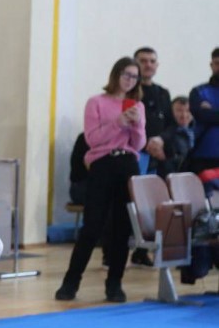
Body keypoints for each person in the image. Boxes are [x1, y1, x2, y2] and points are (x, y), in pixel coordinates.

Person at [56, 57, 145, 304]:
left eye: (134, 76)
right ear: (116, 74)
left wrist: (137, 125)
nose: (130, 80)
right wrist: (118, 122)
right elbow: (93, 140)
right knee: (92, 226)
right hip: (103, 164)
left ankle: (114, 284)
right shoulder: (96, 102)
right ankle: (70, 282)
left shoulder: (137, 105)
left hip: (127, 164)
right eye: (126, 74)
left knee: (122, 228)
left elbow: (139, 144)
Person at [130, 47, 174, 265]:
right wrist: (145, 141)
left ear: (157, 65)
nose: (148, 64)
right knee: (129, 203)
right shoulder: (129, 92)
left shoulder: (163, 93)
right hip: (134, 154)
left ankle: (143, 251)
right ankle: (111, 252)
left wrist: (160, 140)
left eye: (152, 61)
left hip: (156, 156)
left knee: (152, 204)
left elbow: (171, 125)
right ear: (135, 64)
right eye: (143, 60)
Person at [187, 48, 219, 174]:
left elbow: (208, 116)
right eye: (217, 63)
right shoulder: (198, 91)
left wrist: (211, 112)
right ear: (211, 65)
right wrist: (206, 114)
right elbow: (201, 115)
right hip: (203, 156)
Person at [156, 96, 195, 177]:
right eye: (179, 110)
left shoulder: (198, 130)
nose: (184, 115)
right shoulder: (166, 133)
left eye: (188, 111)